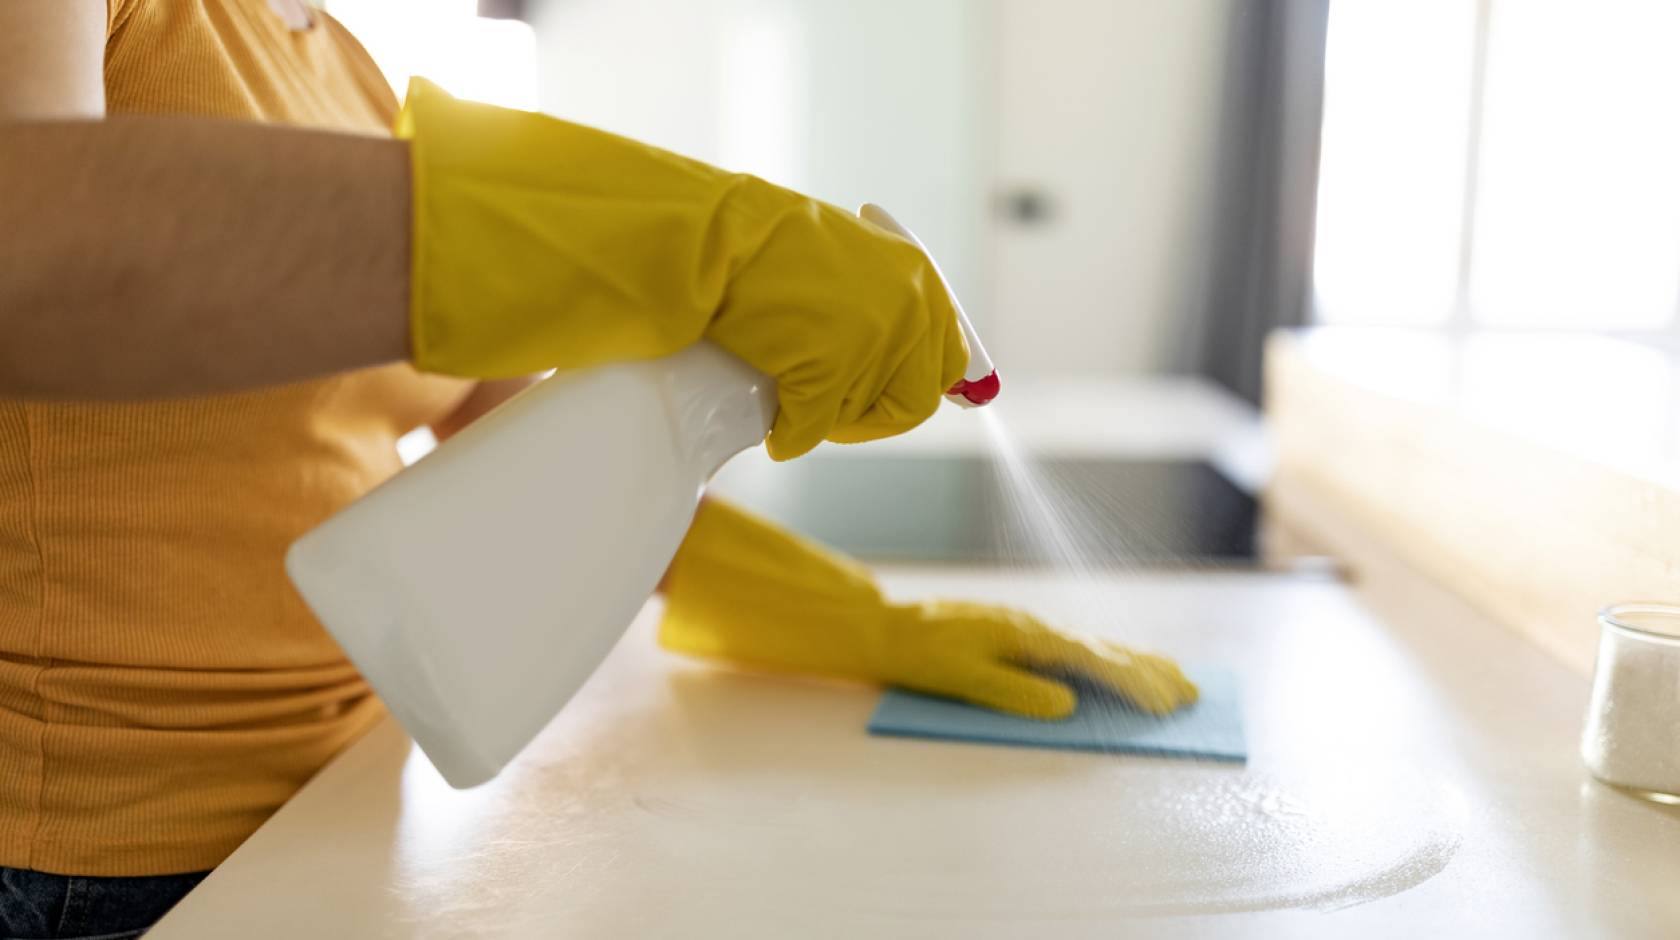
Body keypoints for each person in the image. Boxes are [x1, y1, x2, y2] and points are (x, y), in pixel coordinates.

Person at [0, 1, 1197, 935]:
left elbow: (467, 406)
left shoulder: (341, 65)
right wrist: (698, 243)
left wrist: (840, 616)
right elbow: (33, 245)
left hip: (339, 805)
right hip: (81, 865)